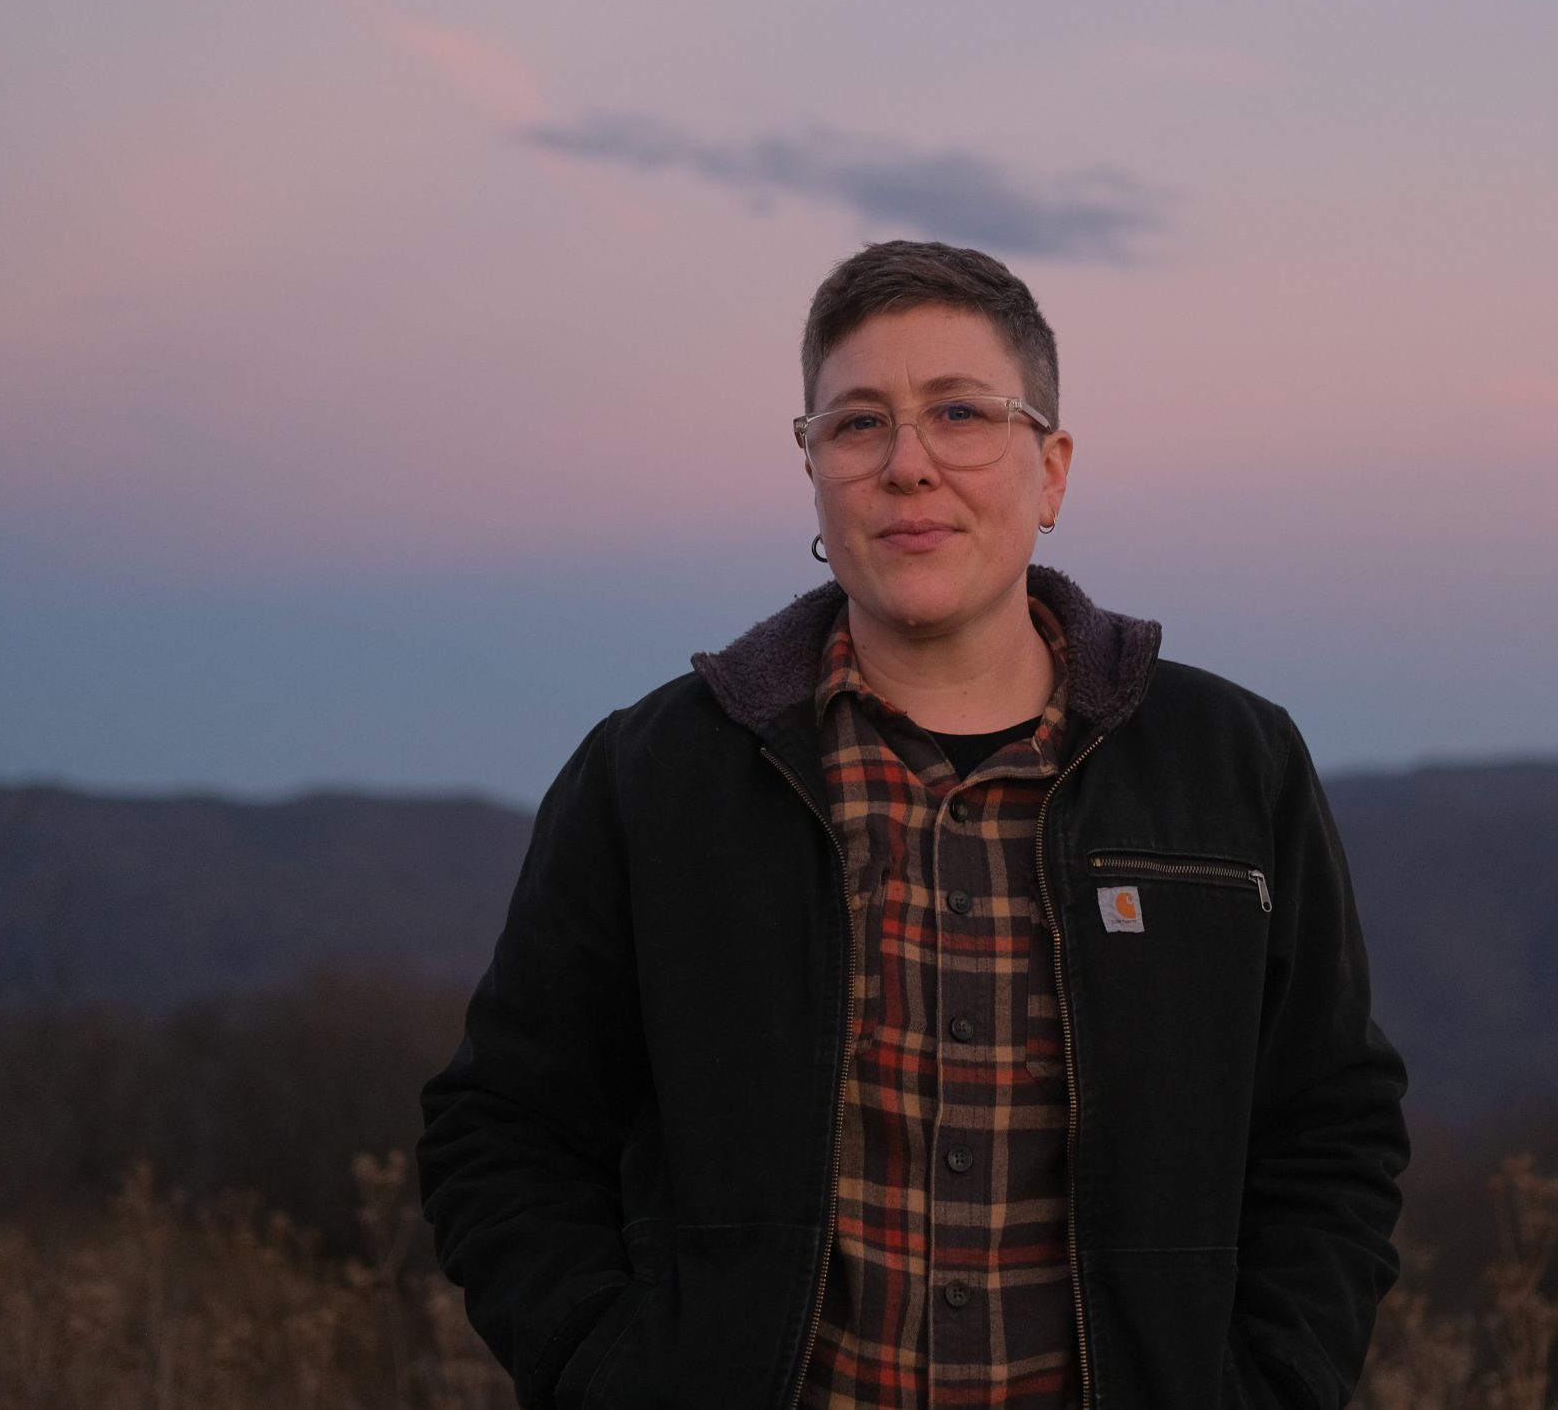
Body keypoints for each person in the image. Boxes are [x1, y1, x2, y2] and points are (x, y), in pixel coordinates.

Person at [417, 241, 1409, 1409]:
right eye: (856, 425)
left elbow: (1327, 1134)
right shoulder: (657, 776)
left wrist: (1268, 1387)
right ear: (814, 470)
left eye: (960, 413)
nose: (907, 466)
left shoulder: (1231, 766)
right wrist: (615, 1374)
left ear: (1051, 471)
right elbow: (504, 1130)